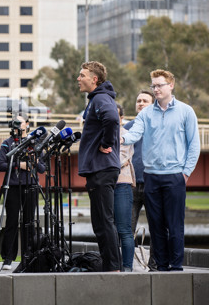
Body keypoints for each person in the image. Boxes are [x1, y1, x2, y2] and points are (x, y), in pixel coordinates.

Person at [122, 69, 200, 271]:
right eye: (153, 86)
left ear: (171, 85)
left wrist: (185, 173)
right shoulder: (146, 114)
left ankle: (176, 266)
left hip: (175, 176)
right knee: (156, 226)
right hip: (151, 177)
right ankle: (161, 268)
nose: (155, 89)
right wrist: (120, 137)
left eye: (159, 85)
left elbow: (194, 145)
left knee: (174, 226)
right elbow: (134, 134)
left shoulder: (186, 111)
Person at [77, 61, 121, 272]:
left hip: (102, 168)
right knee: (100, 223)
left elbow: (112, 119)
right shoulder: (97, 99)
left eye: (82, 75)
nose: (79, 78)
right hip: (98, 169)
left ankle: (113, 268)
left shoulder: (101, 98)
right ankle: (109, 265)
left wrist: (106, 143)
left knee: (104, 221)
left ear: (94, 79)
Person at [0, 113, 46, 270]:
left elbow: (42, 168)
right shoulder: (7, 143)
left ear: (27, 124)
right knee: (11, 221)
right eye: (14, 123)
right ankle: (8, 258)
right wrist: (19, 165)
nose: (17, 126)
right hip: (12, 186)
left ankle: (28, 256)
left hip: (30, 186)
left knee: (29, 222)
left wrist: (35, 161)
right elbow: (1, 166)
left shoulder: (35, 144)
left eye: (20, 122)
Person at [125, 89, 157, 270]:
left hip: (153, 184)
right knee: (127, 229)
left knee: (157, 229)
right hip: (131, 185)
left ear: (152, 104)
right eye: (138, 101)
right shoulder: (128, 128)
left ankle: (154, 266)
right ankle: (127, 266)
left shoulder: (158, 127)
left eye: (145, 100)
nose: (141, 103)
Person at [115, 104, 135, 272]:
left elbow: (121, 159)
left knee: (124, 229)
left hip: (121, 185)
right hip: (104, 186)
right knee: (109, 229)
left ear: (121, 119)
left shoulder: (126, 136)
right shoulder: (98, 134)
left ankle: (127, 267)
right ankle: (112, 266)